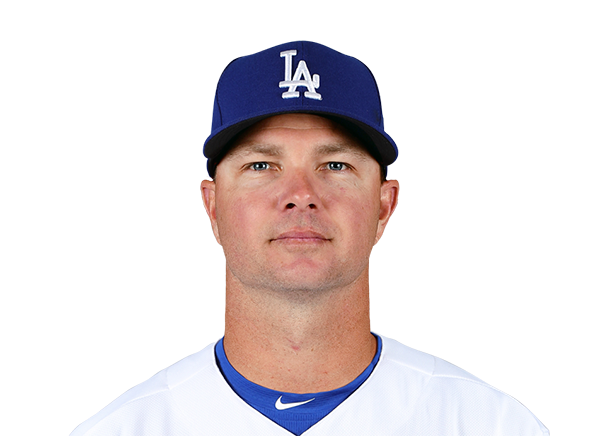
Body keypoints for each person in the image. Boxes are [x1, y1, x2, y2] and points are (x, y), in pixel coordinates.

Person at [71, 41, 549, 435]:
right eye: (262, 165)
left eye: (335, 165)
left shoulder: (492, 425)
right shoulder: (121, 428)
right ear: (212, 205)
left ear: (385, 204)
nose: (301, 195)